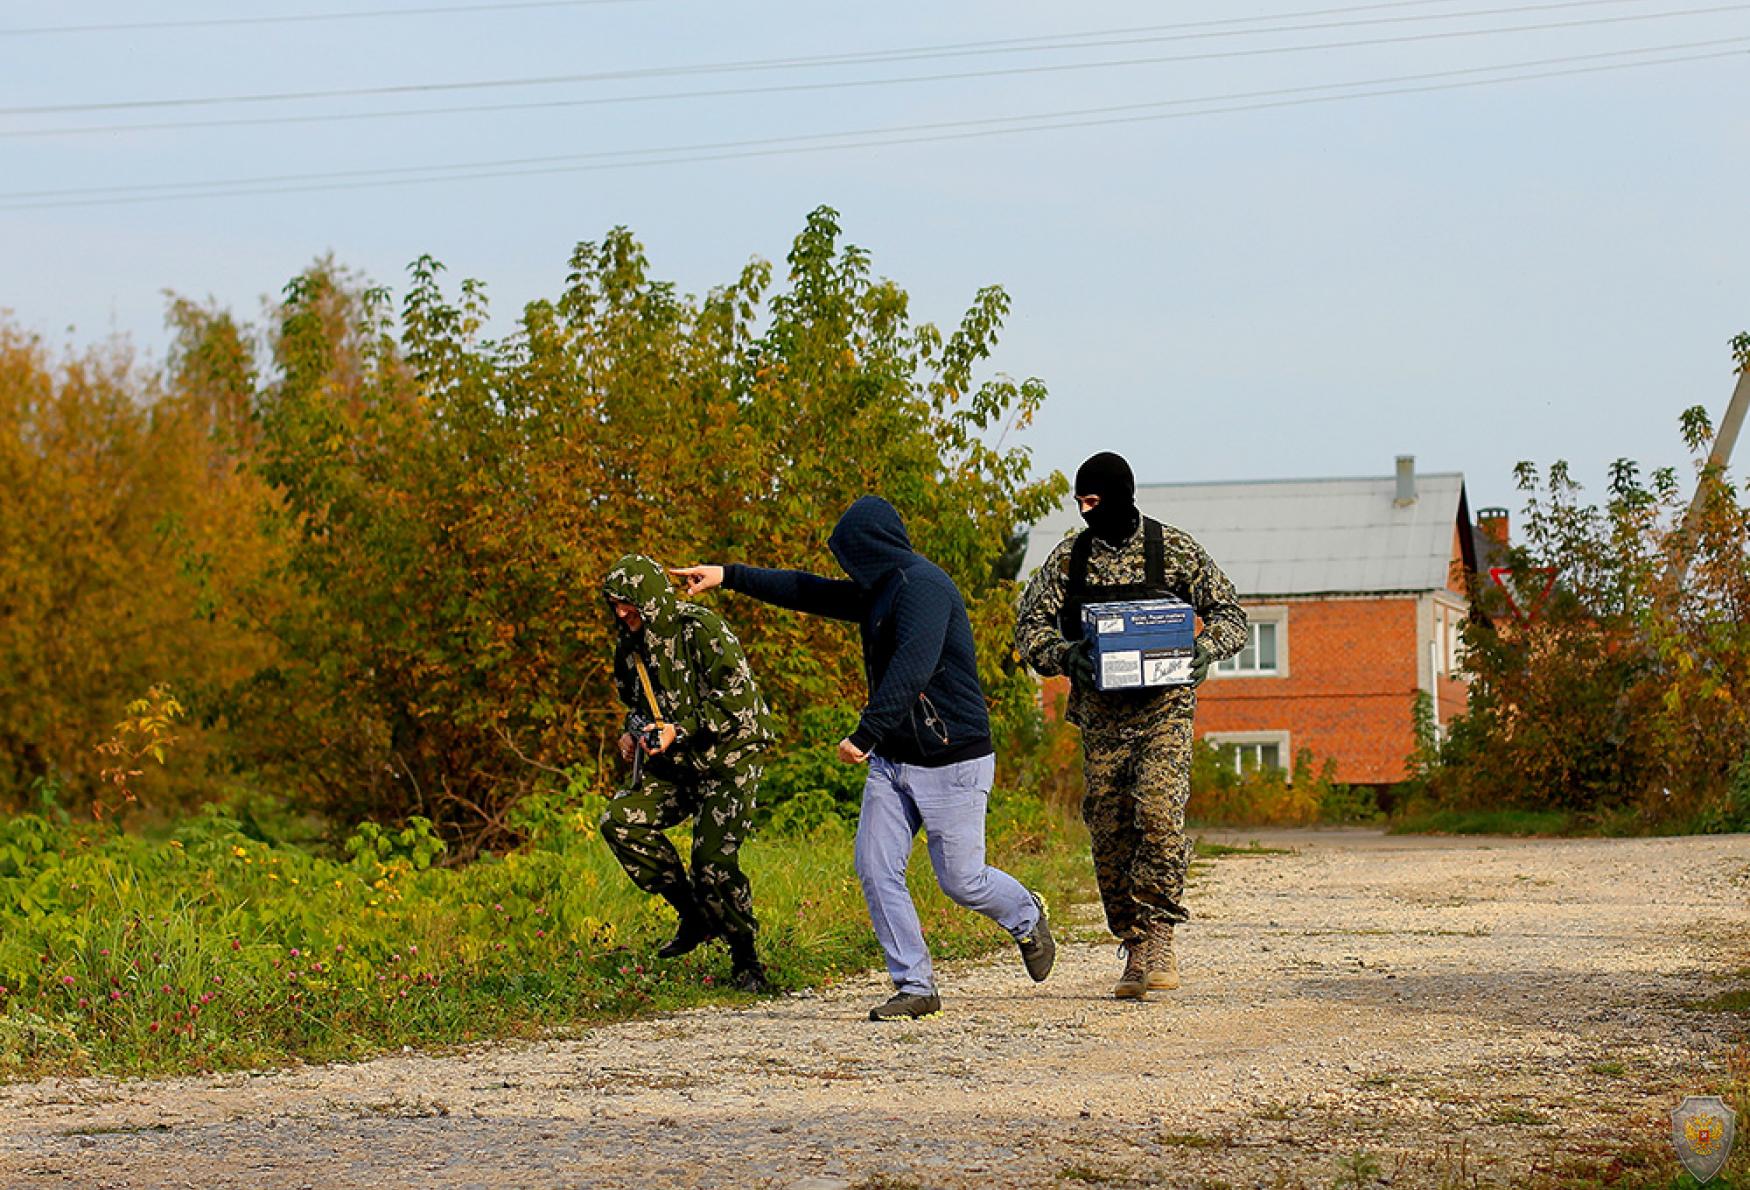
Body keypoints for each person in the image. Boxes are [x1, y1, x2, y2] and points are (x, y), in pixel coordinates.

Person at [672, 496, 1056, 1021]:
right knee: (876, 869)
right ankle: (916, 984)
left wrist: (866, 732)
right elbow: (807, 589)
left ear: (871, 546)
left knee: (961, 879)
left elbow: (912, 667)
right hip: (895, 762)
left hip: (953, 760)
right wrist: (729, 575)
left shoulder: (924, 587)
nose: (845, 568)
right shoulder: (879, 590)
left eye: (850, 555)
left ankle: (1025, 914)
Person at [1014, 452, 1247, 999]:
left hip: (1164, 711)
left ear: (1120, 495)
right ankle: (1133, 941)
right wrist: (1063, 655)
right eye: (1079, 502)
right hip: (1101, 720)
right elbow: (1029, 623)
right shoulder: (1071, 559)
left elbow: (1230, 613)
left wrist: (1205, 649)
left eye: (1092, 501)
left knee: (1158, 813)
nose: (1083, 510)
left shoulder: (1174, 550)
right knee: (1110, 830)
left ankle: (1161, 932)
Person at [600, 554, 777, 993]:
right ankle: (694, 915)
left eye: (629, 603)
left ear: (650, 599)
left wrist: (680, 728)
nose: (622, 613)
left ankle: (746, 961)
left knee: (713, 861)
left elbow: (738, 702)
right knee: (620, 822)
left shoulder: (700, 630)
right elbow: (637, 706)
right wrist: (632, 731)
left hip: (729, 757)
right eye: (614, 604)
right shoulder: (628, 649)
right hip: (677, 764)